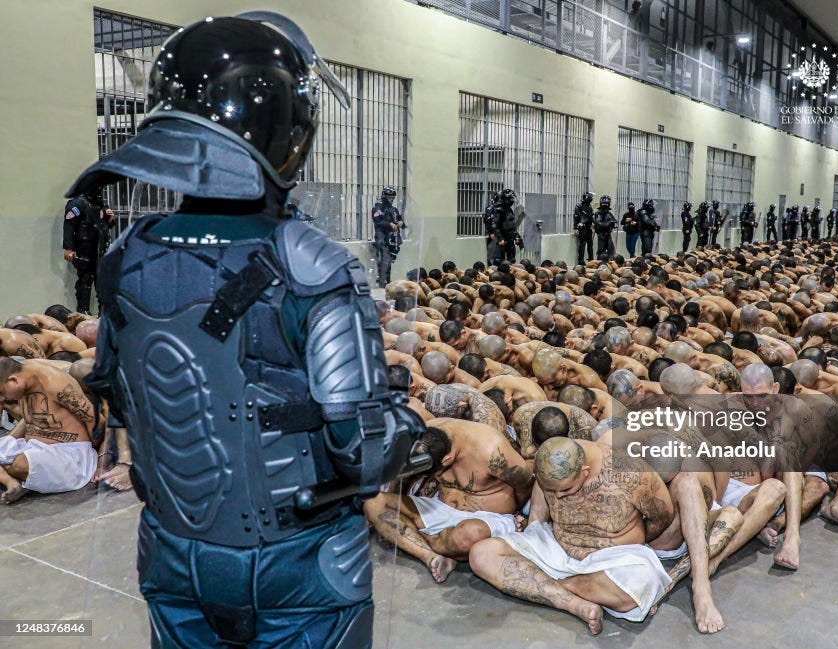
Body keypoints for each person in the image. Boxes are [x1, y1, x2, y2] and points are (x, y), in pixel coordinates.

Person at [68, 13, 424, 648]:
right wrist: (411, 429)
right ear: (289, 131)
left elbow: (120, 398)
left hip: (172, 554)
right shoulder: (313, 265)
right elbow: (364, 452)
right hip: (300, 568)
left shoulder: (126, 256)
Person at [469, 437, 675, 635]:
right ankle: (576, 604)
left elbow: (662, 517)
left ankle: (547, 586)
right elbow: (540, 498)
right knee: (482, 554)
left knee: (640, 583)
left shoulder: (631, 473)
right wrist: (534, 529)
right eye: (552, 490)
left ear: (585, 472)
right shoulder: (548, 461)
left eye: (566, 489)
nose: (558, 496)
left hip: (614, 560)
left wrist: (630, 541)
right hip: (556, 549)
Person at [363, 420, 532, 583]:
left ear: (447, 459)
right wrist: (389, 509)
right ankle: (430, 556)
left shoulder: (491, 449)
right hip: (439, 506)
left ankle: (419, 537)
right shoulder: (422, 436)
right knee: (373, 501)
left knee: (466, 537)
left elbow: (525, 483)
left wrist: (522, 515)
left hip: (487, 517)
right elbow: (403, 472)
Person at [0, 357, 98, 504]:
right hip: (34, 448)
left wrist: (100, 459)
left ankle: (19, 476)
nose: (1, 399)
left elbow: (95, 420)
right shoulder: (24, 375)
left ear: (14, 380)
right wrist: (6, 442)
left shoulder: (54, 383)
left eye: (1, 393)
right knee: (14, 460)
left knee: (19, 465)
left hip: (69, 452)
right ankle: (12, 483)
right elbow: (29, 419)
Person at [62, 187, 115, 314]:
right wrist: (68, 248)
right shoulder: (77, 204)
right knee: (85, 279)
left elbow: (105, 226)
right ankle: (83, 311)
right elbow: (69, 226)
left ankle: (103, 313)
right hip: (84, 248)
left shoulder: (101, 204)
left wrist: (111, 219)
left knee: (102, 281)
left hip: (100, 248)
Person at [372, 186, 406, 288]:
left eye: (392, 197)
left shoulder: (394, 209)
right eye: (389, 197)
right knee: (384, 258)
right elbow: (377, 222)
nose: (391, 199)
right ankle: (382, 280)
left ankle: (387, 279)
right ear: (384, 197)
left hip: (392, 238)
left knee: (390, 259)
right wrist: (389, 224)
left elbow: (400, 220)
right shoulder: (377, 208)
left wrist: (401, 223)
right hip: (382, 237)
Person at [494, 189, 522, 263]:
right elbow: (495, 226)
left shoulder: (509, 210)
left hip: (510, 238)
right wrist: (500, 238)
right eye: (510, 199)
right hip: (502, 237)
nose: (512, 202)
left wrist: (516, 236)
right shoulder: (499, 210)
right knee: (499, 261)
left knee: (512, 259)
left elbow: (511, 225)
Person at [574, 192, 595, 264]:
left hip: (589, 227)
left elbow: (591, 216)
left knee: (590, 244)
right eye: (590, 197)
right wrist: (576, 228)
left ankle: (591, 260)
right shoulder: (579, 205)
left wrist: (594, 223)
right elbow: (576, 217)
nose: (591, 199)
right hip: (582, 228)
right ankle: (581, 261)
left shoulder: (589, 206)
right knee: (582, 244)